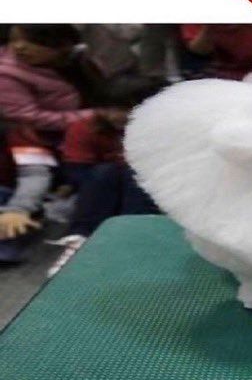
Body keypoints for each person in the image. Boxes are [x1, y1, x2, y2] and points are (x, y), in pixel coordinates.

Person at [0, 24, 100, 261]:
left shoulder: (79, 59)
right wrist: (19, 209)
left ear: (60, 45)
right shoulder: (7, 74)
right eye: (15, 40)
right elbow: (34, 170)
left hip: (78, 135)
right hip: (35, 138)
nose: (19, 47)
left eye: (31, 41)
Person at [47, 77, 164, 275]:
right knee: (105, 172)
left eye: (125, 109)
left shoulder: (165, 129)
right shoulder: (85, 127)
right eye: (107, 108)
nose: (114, 115)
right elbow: (77, 171)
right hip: (99, 193)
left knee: (136, 173)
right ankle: (80, 239)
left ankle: (135, 239)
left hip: (150, 193)